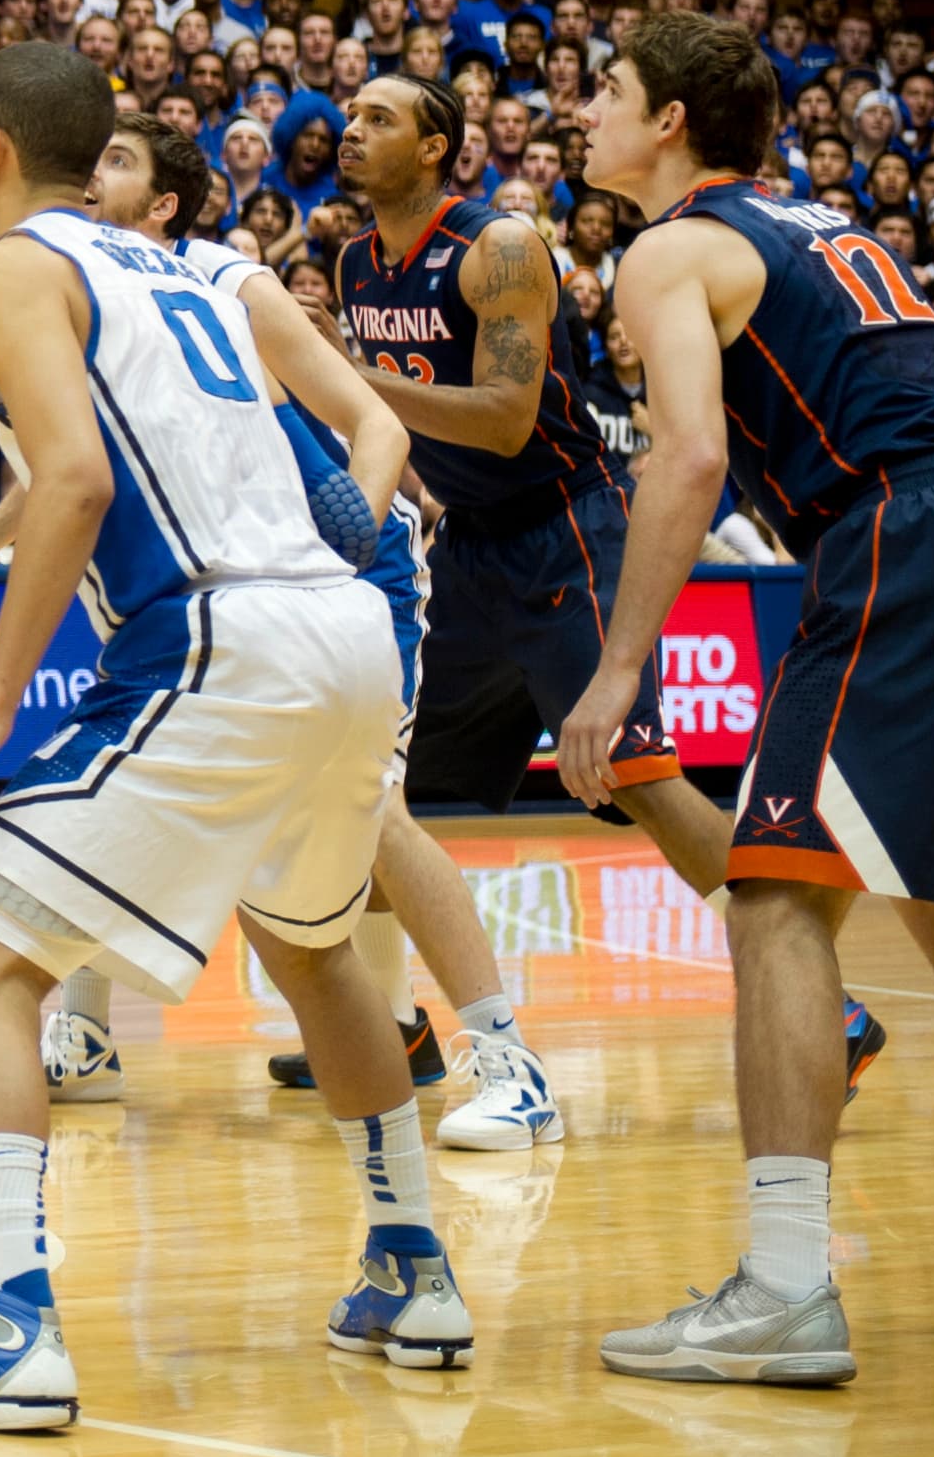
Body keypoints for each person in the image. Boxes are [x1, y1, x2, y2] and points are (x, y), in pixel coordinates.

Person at [0, 40, 460, 1430]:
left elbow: (75, 474)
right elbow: (141, 445)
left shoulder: (3, 270)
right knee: (313, 953)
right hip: (342, 628)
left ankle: (9, 1324)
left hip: (214, 635)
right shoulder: (191, 270)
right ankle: (410, 1266)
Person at [573, 14, 934, 1385]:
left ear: (668, 121)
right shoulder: (815, 221)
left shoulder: (668, 247)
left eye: (607, 89)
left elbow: (686, 457)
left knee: (772, 893)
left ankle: (782, 1284)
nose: (584, 110)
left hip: (903, 532)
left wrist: (617, 670)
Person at [317, 73, 883, 1095]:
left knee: (636, 776)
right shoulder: (357, 260)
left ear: (436, 146)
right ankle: (396, 1027)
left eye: (377, 118)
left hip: (564, 529)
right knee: (369, 786)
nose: (349, 129)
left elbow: (502, 417)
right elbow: (406, 419)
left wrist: (342, 376)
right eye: (348, 115)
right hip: (467, 548)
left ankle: (827, 1009)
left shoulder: (496, 245)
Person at [42, 116, 559, 1155]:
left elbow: (368, 425)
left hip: (337, 557)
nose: (90, 174)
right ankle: (88, 1034)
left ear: (163, 206)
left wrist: (348, 530)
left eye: (115, 160)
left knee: (372, 814)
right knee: (129, 779)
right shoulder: (71, 285)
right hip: (223, 572)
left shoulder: (219, 278)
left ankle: (510, 1063)